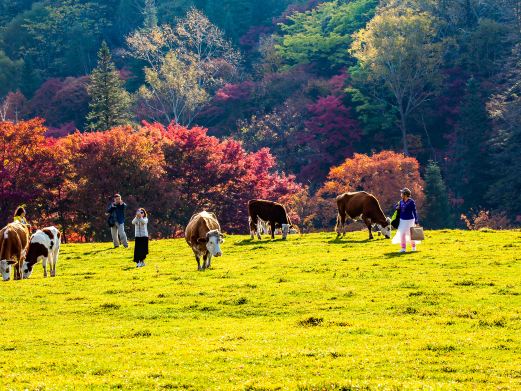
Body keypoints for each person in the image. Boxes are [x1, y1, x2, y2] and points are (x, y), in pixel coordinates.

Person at [392, 188, 420, 253]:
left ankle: (413, 247)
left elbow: (414, 211)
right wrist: (397, 207)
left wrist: (416, 221)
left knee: (411, 234)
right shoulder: (400, 202)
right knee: (402, 234)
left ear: (405, 194)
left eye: (402, 193)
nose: (401, 194)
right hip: (402, 220)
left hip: (410, 220)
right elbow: (395, 206)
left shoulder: (411, 202)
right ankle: (403, 248)